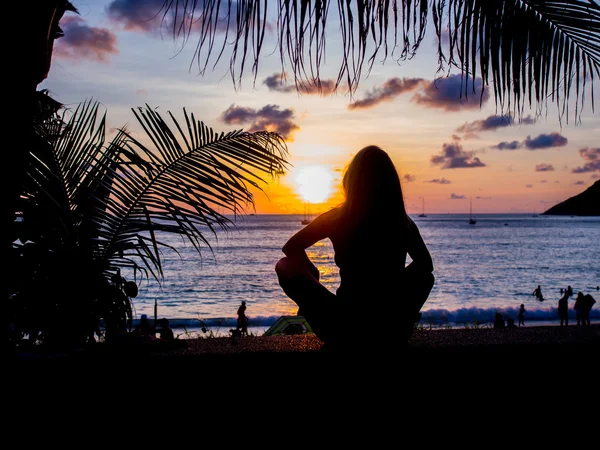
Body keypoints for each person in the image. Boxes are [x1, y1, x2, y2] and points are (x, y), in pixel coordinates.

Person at [275, 145, 434, 352]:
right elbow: (425, 266)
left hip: (342, 325)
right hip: (389, 325)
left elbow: (291, 248)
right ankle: (396, 328)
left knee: (284, 266)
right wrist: (393, 285)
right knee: (425, 278)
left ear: (351, 181)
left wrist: (313, 274)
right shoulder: (402, 222)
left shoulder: (336, 218)